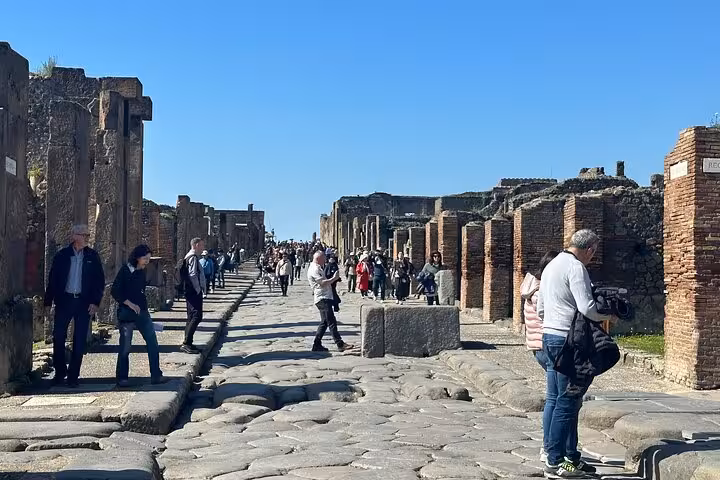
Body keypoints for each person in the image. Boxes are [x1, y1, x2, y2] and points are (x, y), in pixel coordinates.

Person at [537, 230, 610, 478]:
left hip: (549, 336)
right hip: (568, 341)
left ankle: (565, 457)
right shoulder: (576, 268)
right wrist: (607, 316)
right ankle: (555, 462)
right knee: (568, 403)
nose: (592, 257)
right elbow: (586, 307)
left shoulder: (552, 265)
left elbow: (541, 308)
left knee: (557, 399)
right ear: (589, 249)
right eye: (593, 252)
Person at [44, 224, 105, 387]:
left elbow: (99, 281)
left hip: (84, 303)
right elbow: (53, 279)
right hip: (64, 301)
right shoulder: (62, 255)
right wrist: (48, 302)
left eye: (88, 235)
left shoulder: (93, 256)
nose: (87, 238)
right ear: (74, 236)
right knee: (58, 336)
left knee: (79, 340)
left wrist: (95, 302)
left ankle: (73, 376)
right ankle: (60, 372)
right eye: (84, 235)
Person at [520, 250, 558, 462]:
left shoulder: (530, 285)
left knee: (557, 398)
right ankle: (550, 447)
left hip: (536, 345)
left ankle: (555, 446)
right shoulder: (542, 289)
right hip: (548, 345)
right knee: (557, 400)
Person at [112, 245, 167, 387]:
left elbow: (141, 292)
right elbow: (115, 291)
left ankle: (156, 374)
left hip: (142, 313)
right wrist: (130, 304)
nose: (147, 261)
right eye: (145, 258)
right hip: (127, 313)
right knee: (125, 347)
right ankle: (122, 378)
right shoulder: (125, 271)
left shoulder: (142, 272)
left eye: (148, 259)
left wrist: (144, 310)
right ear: (137, 258)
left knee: (152, 343)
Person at [307, 251, 355, 352]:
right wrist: (334, 278)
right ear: (319, 258)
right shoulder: (314, 269)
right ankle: (340, 344)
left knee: (324, 322)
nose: (325, 259)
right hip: (322, 298)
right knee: (332, 321)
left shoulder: (318, 267)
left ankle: (316, 344)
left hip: (325, 297)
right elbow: (322, 283)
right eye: (324, 258)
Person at [180, 237, 207, 354]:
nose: (203, 248)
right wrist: (198, 290)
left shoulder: (191, 257)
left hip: (190, 291)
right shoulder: (193, 257)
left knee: (191, 316)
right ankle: (186, 343)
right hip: (193, 291)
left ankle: (188, 343)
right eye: (201, 245)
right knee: (196, 316)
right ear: (195, 245)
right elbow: (193, 275)